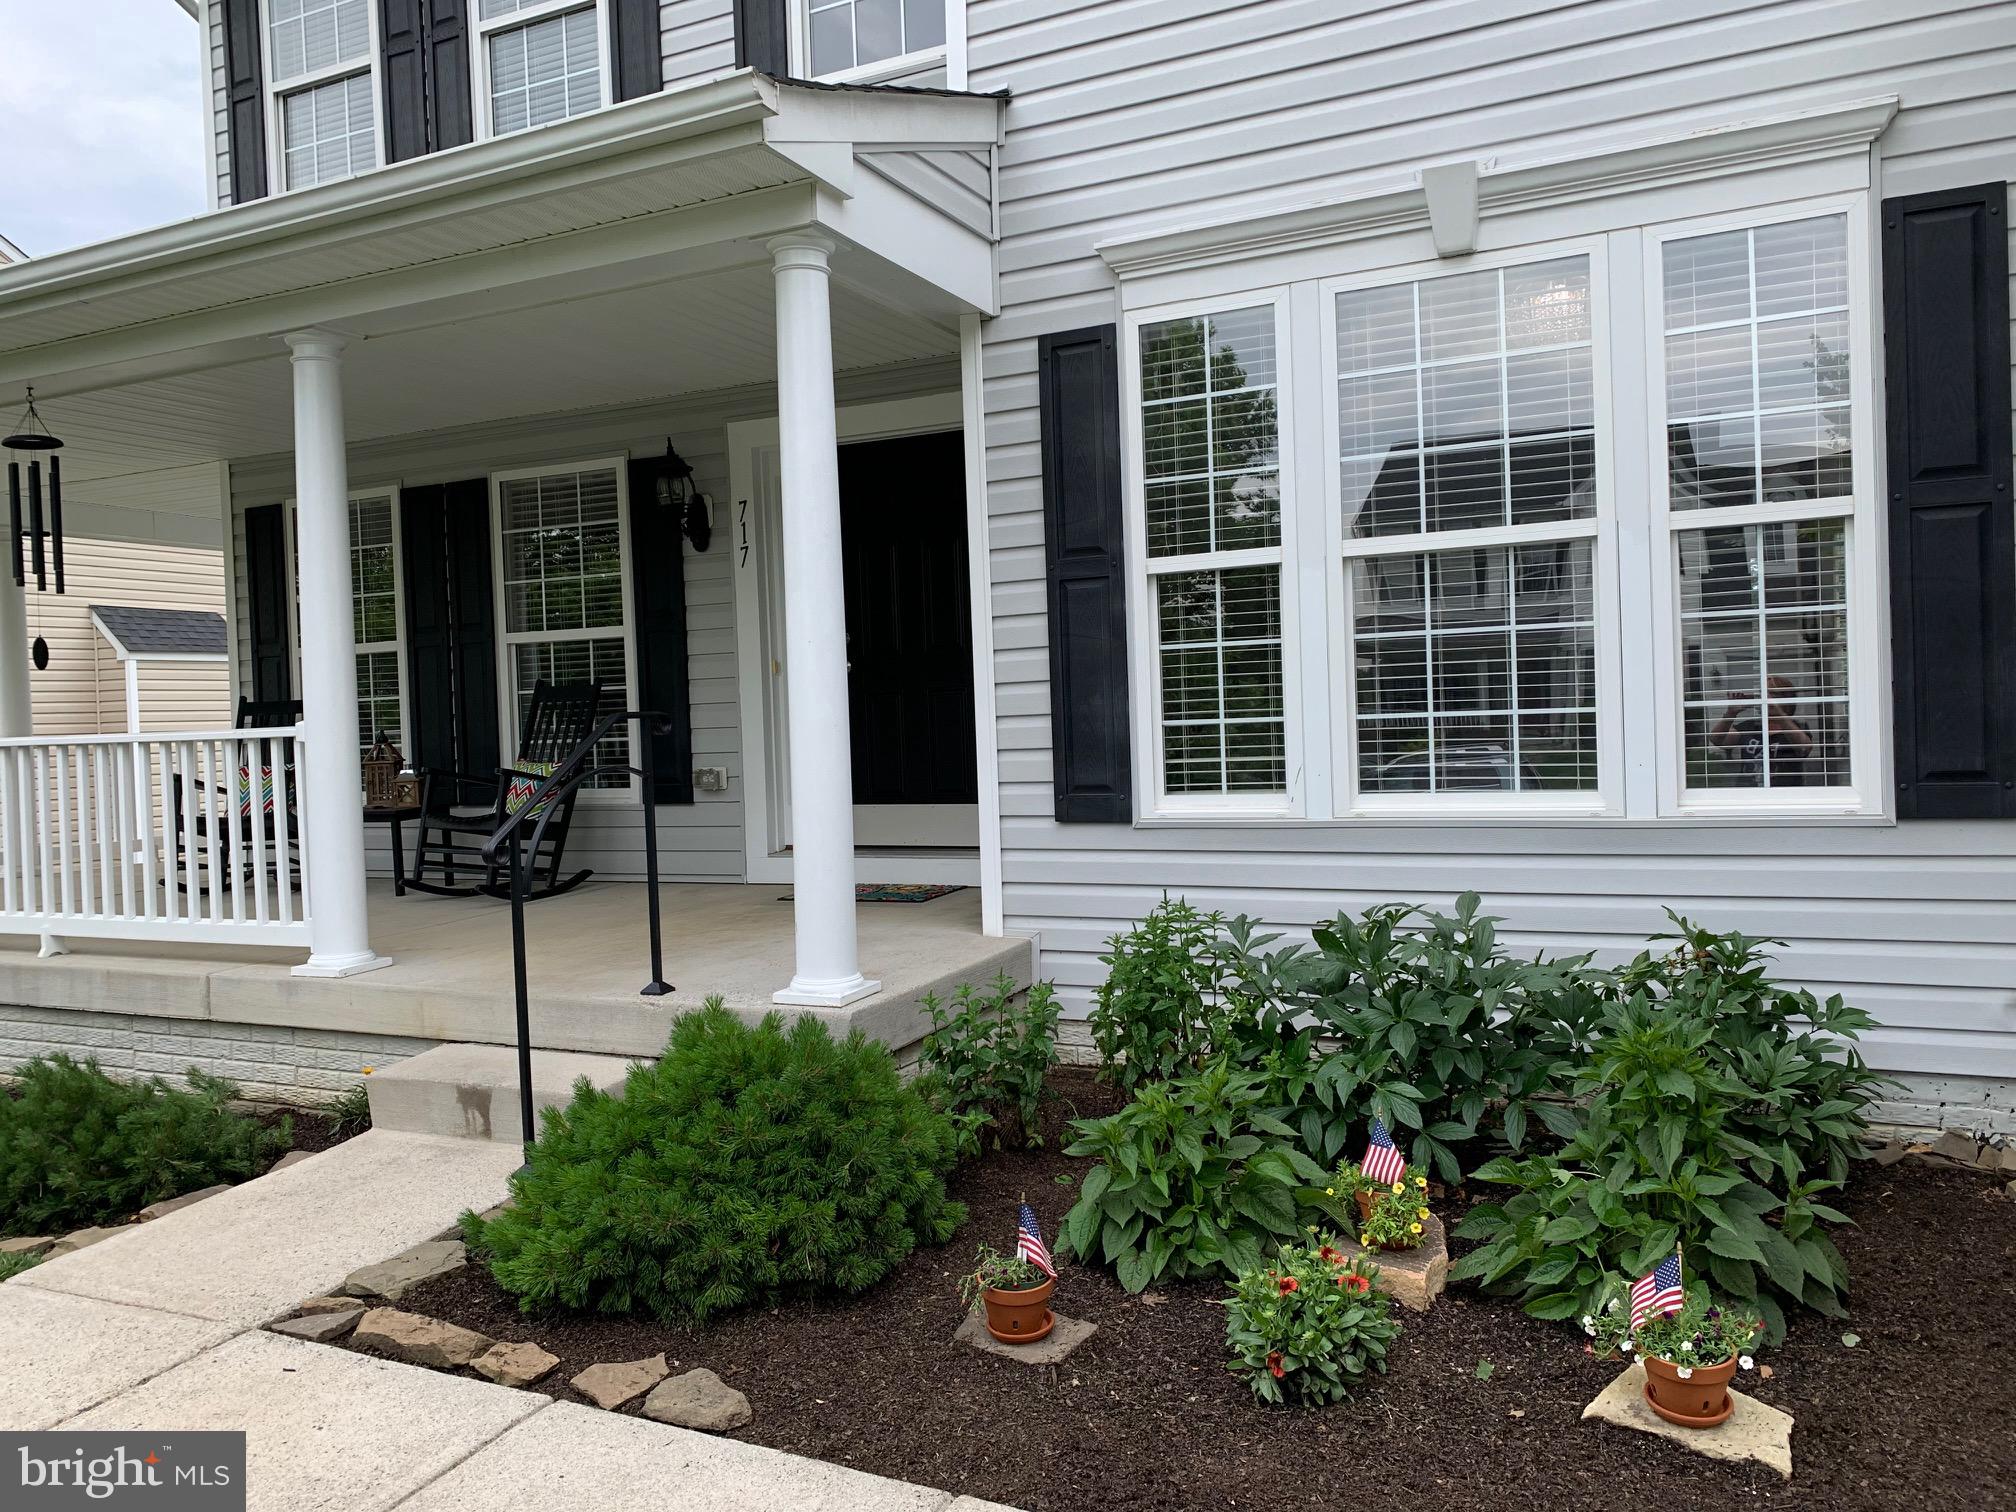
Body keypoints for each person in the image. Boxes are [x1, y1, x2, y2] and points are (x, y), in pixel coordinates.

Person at [1709, 674, 1812, 783]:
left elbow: (1804, 749)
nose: (1766, 698)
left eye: (1772, 694)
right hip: (1750, 794)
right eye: (1763, 694)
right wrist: (1731, 713)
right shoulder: (1750, 726)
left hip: (1784, 795)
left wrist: (1779, 716)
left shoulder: (1796, 727)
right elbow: (1717, 740)